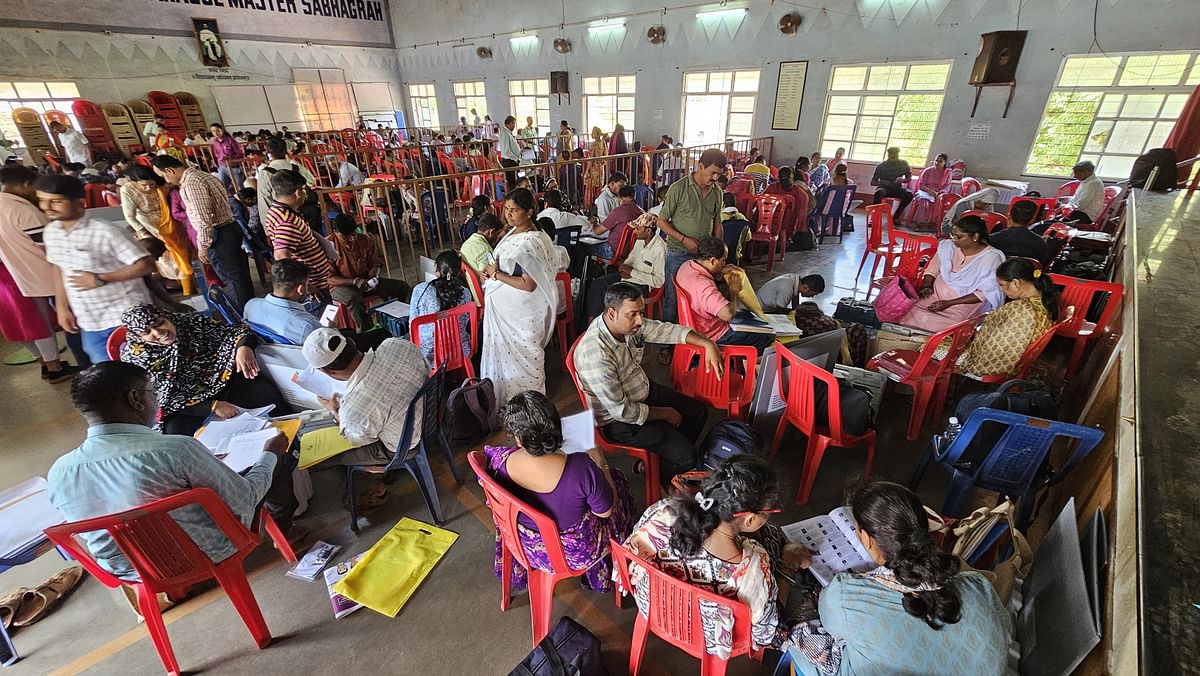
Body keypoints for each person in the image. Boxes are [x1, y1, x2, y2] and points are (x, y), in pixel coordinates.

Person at [47, 362, 299, 581]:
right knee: (275, 459)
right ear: (136, 399)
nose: (154, 400)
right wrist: (271, 453)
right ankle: (288, 529)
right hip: (204, 555)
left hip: (128, 570)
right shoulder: (176, 449)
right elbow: (246, 500)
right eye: (152, 392)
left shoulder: (59, 472)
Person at [789, 481, 1012, 676]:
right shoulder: (978, 584)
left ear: (866, 539)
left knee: (797, 633)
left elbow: (831, 624)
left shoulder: (842, 597)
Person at [623, 456, 812, 658]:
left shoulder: (662, 511)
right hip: (711, 639)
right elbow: (764, 635)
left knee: (771, 537)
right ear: (749, 519)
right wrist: (788, 565)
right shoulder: (753, 568)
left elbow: (633, 550)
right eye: (769, 512)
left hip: (651, 605)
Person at [484, 390, 634, 592]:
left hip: (523, 547)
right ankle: (599, 575)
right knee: (618, 484)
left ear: (519, 439)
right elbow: (605, 512)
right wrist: (602, 464)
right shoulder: (580, 467)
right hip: (573, 555)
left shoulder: (500, 462)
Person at [575, 282, 721, 482]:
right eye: (632, 314)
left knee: (698, 411)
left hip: (642, 389)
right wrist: (664, 414)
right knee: (687, 456)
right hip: (619, 422)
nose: (639, 320)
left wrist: (707, 343)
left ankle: (660, 463)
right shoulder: (595, 355)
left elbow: (665, 331)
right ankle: (660, 475)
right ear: (611, 313)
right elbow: (622, 411)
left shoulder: (626, 325)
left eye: (641, 313)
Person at [302, 328, 429, 510]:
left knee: (320, 459)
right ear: (350, 342)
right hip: (430, 420)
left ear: (326, 371)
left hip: (403, 447)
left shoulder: (353, 409)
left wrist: (334, 411)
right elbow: (426, 368)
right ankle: (376, 474)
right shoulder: (396, 345)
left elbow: (357, 439)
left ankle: (367, 486)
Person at [120, 304, 293, 436]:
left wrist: (243, 348)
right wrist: (210, 406)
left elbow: (234, 332)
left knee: (263, 391)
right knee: (176, 432)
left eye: (160, 323)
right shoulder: (137, 359)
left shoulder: (187, 323)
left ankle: (290, 438)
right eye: (148, 332)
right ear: (138, 337)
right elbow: (157, 402)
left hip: (220, 381)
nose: (159, 332)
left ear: (166, 316)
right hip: (184, 407)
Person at [38, 174, 155, 363]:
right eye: (42, 201)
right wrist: (62, 308)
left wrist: (103, 278)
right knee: (108, 375)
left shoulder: (104, 231)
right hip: (90, 320)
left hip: (124, 316)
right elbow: (59, 268)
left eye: (56, 201)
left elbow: (145, 264)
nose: (47, 207)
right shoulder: (52, 232)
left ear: (79, 202)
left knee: (141, 371)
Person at [0, 165, 82, 380]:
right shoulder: (22, 211)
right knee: (68, 323)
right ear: (26, 185)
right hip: (49, 274)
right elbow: (51, 247)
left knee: (48, 322)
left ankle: (51, 363)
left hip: (24, 277)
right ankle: (65, 366)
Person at [479, 188, 560, 404]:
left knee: (525, 359)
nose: (508, 214)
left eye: (514, 210)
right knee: (505, 360)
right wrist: (492, 271)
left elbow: (528, 284)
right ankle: (507, 403)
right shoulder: (513, 232)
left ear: (530, 212)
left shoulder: (532, 242)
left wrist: (496, 274)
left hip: (521, 314)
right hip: (505, 311)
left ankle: (530, 406)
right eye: (506, 209)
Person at [151, 155, 254, 310]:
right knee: (240, 275)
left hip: (219, 234)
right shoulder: (205, 175)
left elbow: (204, 217)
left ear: (170, 170)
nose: (166, 180)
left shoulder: (192, 183)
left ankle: (243, 314)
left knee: (232, 278)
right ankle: (250, 309)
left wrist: (204, 245)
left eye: (163, 175)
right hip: (229, 228)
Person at [898, 215, 1006, 333]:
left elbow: (984, 293)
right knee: (908, 312)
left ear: (975, 236)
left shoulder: (991, 258)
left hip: (962, 304)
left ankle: (934, 347)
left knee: (953, 326)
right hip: (934, 296)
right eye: (952, 235)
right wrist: (927, 286)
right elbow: (931, 271)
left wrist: (949, 303)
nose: (954, 239)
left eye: (959, 237)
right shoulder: (947, 247)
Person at [657, 148, 726, 324]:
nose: (715, 178)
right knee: (673, 298)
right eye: (712, 173)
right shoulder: (678, 188)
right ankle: (669, 346)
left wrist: (718, 254)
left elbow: (717, 224)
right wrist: (684, 239)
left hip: (704, 256)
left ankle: (696, 337)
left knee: (701, 299)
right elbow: (662, 221)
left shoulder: (717, 192)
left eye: (719, 174)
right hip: (679, 252)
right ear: (700, 166)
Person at [959, 258, 1058, 378]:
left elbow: (993, 350)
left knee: (935, 347)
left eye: (1001, 285)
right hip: (1017, 360)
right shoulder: (1043, 300)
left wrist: (968, 357)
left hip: (992, 365)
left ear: (1015, 283)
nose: (1001, 289)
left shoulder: (1022, 310)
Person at [676, 236, 773, 352]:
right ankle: (745, 363)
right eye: (723, 261)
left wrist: (721, 269)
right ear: (713, 261)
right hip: (713, 335)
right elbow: (728, 315)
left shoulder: (687, 266)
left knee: (748, 316)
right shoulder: (703, 286)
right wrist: (733, 292)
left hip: (695, 325)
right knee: (767, 335)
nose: (725, 263)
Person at [118, 165, 195, 295]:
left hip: (171, 225)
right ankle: (182, 291)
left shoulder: (161, 187)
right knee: (167, 261)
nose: (149, 188)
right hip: (151, 230)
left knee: (183, 257)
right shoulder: (128, 190)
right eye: (144, 185)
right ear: (134, 182)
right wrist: (144, 232)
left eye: (151, 185)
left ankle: (189, 291)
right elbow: (130, 217)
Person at [327, 213, 409, 330]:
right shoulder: (328, 245)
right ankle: (366, 333)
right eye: (346, 236)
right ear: (335, 232)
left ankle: (393, 320)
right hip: (340, 286)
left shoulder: (364, 240)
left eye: (353, 234)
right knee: (354, 299)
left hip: (365, 282)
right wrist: (354, 281)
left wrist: (373, 276)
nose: (352, 238)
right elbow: (329, 278)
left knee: (402, 287)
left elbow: (375, 263)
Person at [582, 212, 667, 318]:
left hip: (642, 285)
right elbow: (630, 260)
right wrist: (623, 269)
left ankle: (611, 325)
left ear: (648, 230)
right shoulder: (640, 241)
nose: (635, 232)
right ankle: (592, 323)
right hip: (628, 278)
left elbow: (659, 281)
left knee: (613, 295)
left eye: (638, 229)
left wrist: (631, 272)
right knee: (597, 285)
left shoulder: (660, 249)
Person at [263, 170, 333, 295]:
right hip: (313, 285)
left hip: (315, 281)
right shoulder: (288, 222)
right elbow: (281, 256)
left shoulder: (275, 210)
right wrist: (306, 285)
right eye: (304, 189)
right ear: (298, 192)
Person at [409, 250, 473, 367]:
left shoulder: (420, 289)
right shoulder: (466, 293)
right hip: (460, 350)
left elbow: (412, 324)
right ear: (459, 272)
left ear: (437, 271)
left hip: (428, 354)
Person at [254, 138, 316, 218]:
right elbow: (312, 181)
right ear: (285, 151)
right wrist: (292, 161)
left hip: (281, 217)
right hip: (304, 213)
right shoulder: (296, 168)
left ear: (267, 153)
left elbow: (264, 203)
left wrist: (267, 226)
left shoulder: (264, 174)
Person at [989, 199, 1049, 264]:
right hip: (1026, 273)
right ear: (1032, 219)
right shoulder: (1041, 244)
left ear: (1009, 216)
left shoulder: (991, 240)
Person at [763, 166, 813, 235]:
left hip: (766, 225)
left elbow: (760, 206)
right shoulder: (802, 195)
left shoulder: (771, 188)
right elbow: (801, 218)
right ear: (793, 178)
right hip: (789, 229)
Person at [601, 183, 645, 253]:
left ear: (619, 197)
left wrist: (594, 222)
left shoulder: (617, 212)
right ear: (634, 196)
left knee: (586, 246)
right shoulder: (642, 212)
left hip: (615, 250)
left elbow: (598, 231)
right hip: (633, 250)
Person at [871, 146, 913, 217]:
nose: (893, 158)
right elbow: (873, 182)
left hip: (897, 188)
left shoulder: (903, 164)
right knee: (878, 193)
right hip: (884, 188)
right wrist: (883, 182)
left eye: (895, 156)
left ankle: (895, 216)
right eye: (891, 156)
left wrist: (902, 180)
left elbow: (909, 178)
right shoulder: (882, 166)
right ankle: (875, 216)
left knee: (909, 194)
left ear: (898, 155)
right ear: (888, 155)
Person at [756, 273, 825, 314]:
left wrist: (797, 311)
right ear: (805, 288)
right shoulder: (787, 288)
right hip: (760, 310)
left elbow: (795, 305)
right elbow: (780, 311)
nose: (812, 296)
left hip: (767, 306)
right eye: (814, 294)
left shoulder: (796, 281)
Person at [1063, 160, 1105, 224]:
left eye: (1077, 174)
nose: (1075, 176)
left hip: (1087, 215)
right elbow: (1076, 198)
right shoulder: (1086, 181)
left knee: (1060, 221)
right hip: (1080, 211)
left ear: (1086, 172)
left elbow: (1083, 203)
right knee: (1059, 215)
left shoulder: (1093, 184)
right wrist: (1067, 205)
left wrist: (1069, 208)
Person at [209, 123, 244, 192]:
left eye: (217, 130)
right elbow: (216, 154)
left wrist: (230, 158)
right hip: (222, 167)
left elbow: (240, 154)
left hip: (233, 167)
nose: (216, 133)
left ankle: (245, 201)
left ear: (222, 130)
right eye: (213, 131)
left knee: (239, 187)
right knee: (223, 187)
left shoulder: (231, 141)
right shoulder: (215, 142)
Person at [584, 127, 608, 205]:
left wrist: (587, 171)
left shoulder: (594, 144)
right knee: (599, 186)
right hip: (600, 168)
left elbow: (591, 159)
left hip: (593, 168)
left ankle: (589, 205)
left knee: (590, 187)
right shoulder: (603, 142)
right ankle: (599, 204)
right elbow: (606, 156)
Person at [498, 115, 522, 190]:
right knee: (512, 183)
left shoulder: (508, 133)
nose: (514, 126)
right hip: (509, 161)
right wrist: (515, 158)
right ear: (508, 124)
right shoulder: (504, 134)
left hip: (512, 160)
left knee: (515, 181)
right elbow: (506, 151)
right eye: (513, 123)